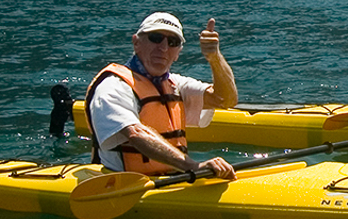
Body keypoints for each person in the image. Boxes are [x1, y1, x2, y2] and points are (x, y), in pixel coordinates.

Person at [84, 12, 238, 178]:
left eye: (172, 42)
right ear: (136, 43)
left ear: (178, 52)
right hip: (123, 182)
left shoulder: (175, 84)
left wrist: (214, 58)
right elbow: (136, 134)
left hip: (172, 177)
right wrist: (193, 166)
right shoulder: (113, 85)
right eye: (155, 38)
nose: (164, 48)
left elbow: (226, 100)